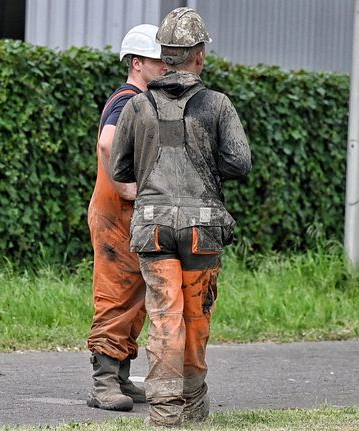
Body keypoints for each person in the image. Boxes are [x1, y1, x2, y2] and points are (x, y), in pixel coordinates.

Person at [109, 7, 252, 427]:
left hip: (152, 227)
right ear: (199, 54)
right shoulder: (217, 104)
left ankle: (165, 411)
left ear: (164, 54)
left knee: (164, 315)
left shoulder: (138, 107)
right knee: (195, 316)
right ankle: (192, 403)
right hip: (202, 228)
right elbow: (240, 163)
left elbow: (119, 169)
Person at [86, 23, 167, 412]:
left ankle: (120, 377)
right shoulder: (127, 99)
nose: (165, 66)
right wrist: (122, 187)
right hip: (114, 213)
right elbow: (106, 142)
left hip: (128, 215)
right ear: (137, 63)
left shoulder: (143, 100)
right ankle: (103, 384)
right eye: (157, 59)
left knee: (135, 297)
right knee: (115, 295)